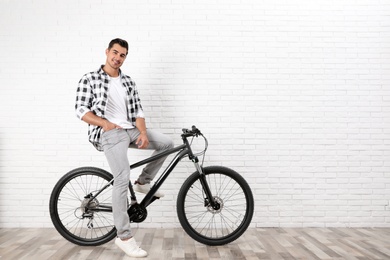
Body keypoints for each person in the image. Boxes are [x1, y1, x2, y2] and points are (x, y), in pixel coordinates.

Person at [75, 38, 174, 258]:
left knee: (167, 144)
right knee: (122, 177)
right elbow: (81, 111)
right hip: (109, 133)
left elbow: (138, 111)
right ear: (107, 52)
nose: (118, 58)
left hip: (130, 129)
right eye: (115, 53)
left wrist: (143, 133)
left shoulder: (128, 81)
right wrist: (105, 123)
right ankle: (124, 236)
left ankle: (143, 183)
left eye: (122, 55)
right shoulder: (90, 78)